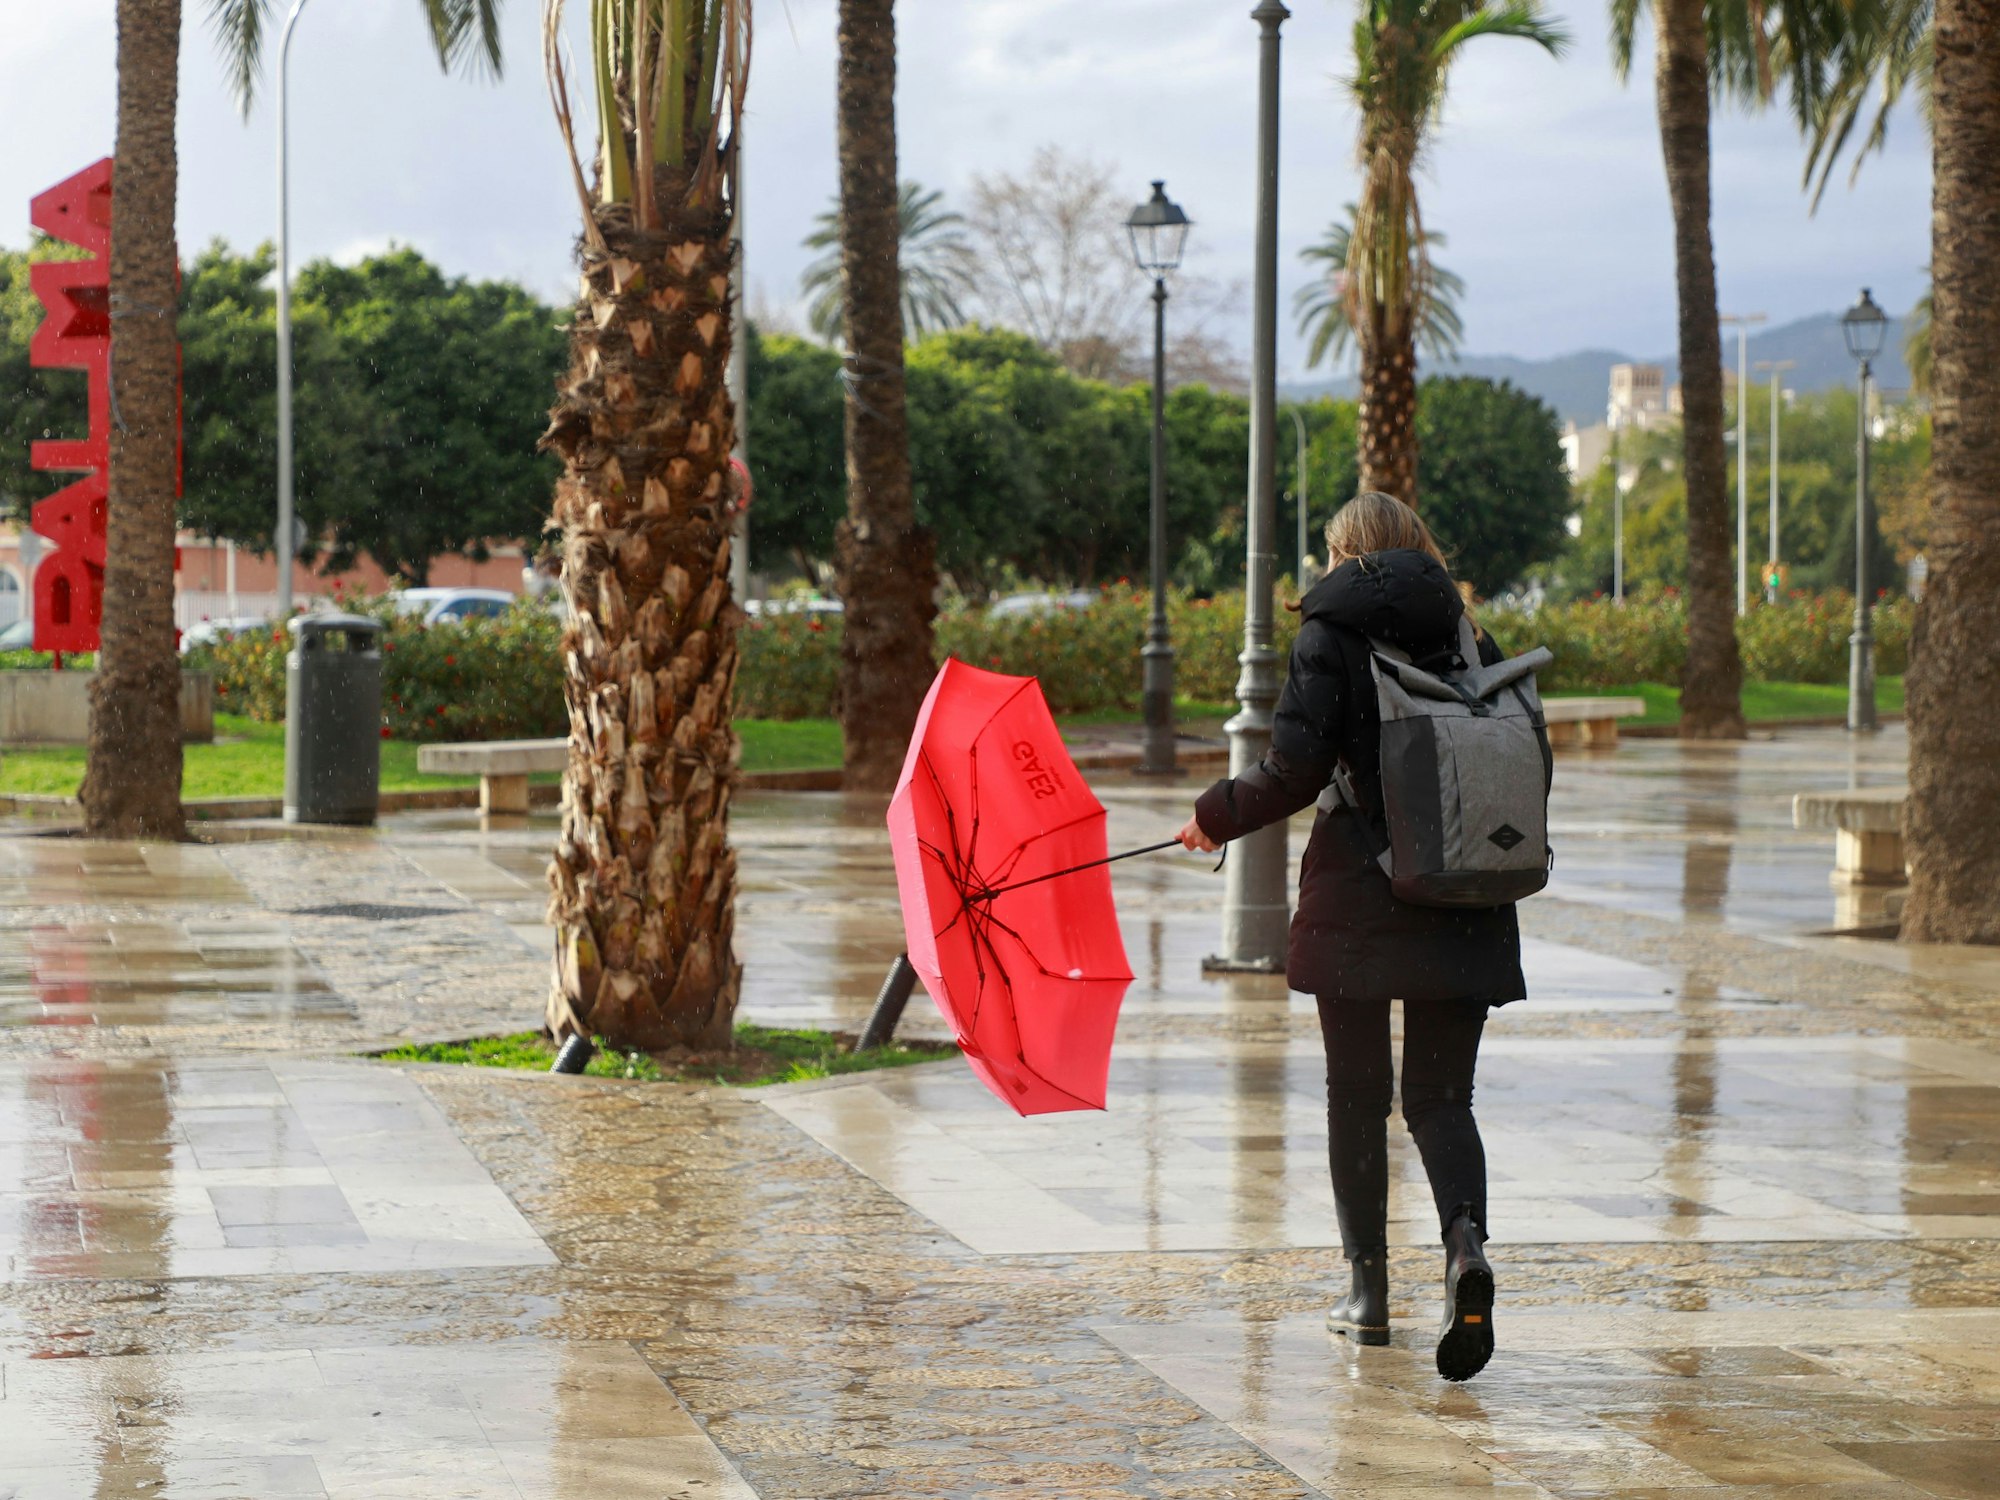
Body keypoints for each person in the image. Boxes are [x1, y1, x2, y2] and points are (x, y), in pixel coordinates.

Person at [1176, 491, 1520, 1383]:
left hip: (1360, 896)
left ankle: (1367, 1297)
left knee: (1357, 1097)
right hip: (1467, 891)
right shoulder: (1470, 633)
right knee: (1443, 1100)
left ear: (1344, 554)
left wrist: (1213, 816)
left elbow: (1292, 768)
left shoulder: (1329, 633)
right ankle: (1463, 1252)